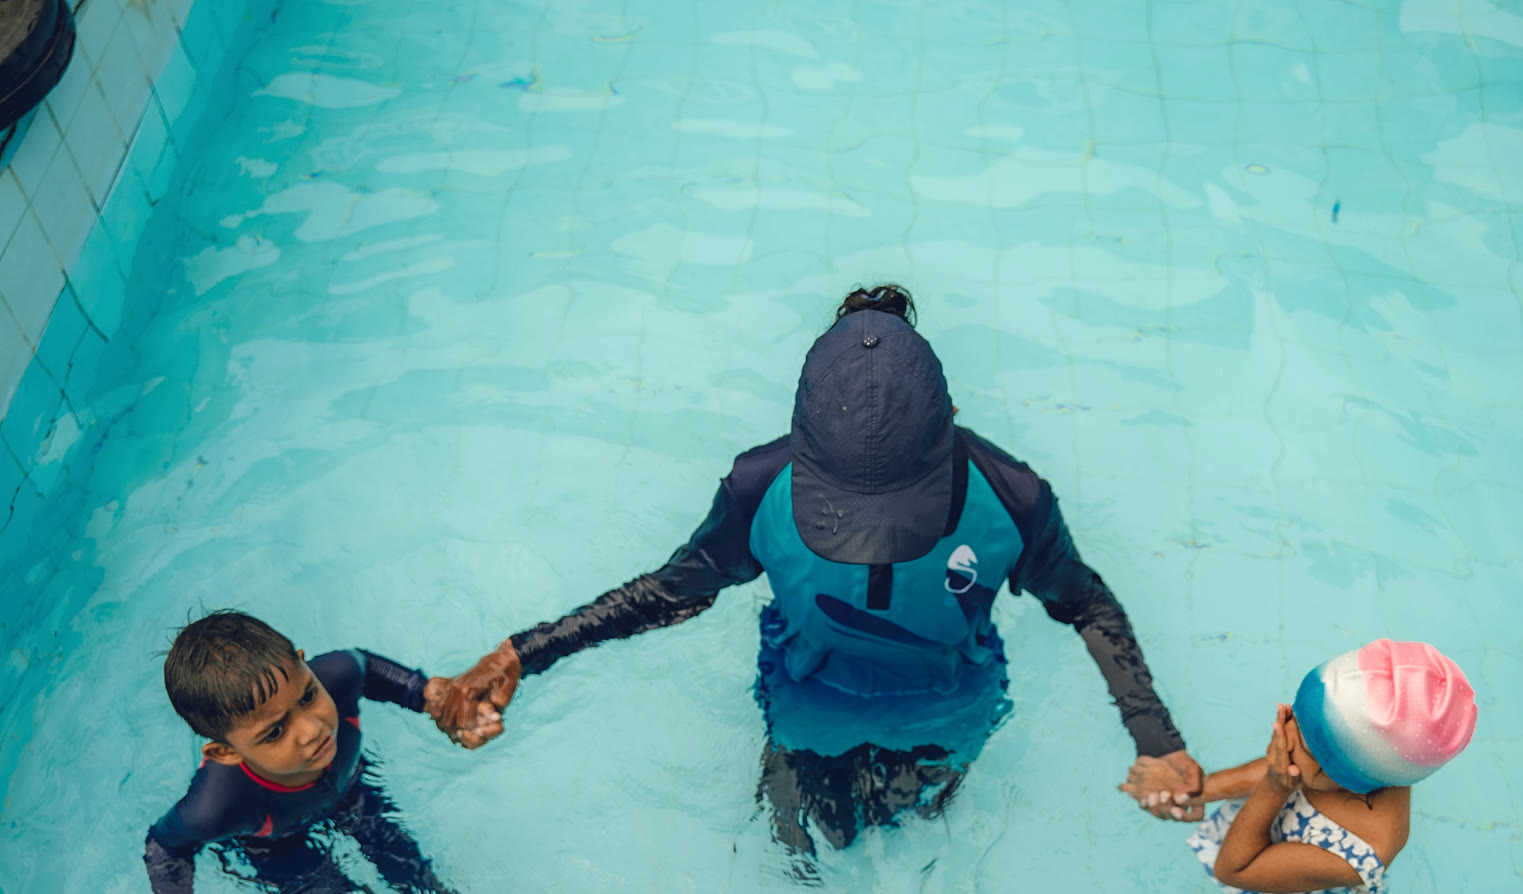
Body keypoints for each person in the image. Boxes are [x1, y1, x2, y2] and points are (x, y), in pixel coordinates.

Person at [434, 285, 1200, 857]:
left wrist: (1155, 737)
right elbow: (672, 594)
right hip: (807, 700)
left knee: (920, 844)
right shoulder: (755, 489)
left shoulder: (1013, 497)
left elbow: (1086, 605)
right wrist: (521, 654)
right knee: (801, 854)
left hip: (947, 707)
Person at [143, 611, 496, 894]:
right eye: (276, 731)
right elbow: (165, 847)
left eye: (308, 696)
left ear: (305, 666)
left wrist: (426, 695)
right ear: (226, 752)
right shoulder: (217, 805)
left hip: (352, 791)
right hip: (277, 844)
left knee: (417, 880)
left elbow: (366, 667)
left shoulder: (337, 677)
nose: (313, 729)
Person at [1121, 639, 1477, 894]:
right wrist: (1191, 791)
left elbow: (1235, 869)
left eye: (1299, 743)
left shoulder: (1363, 851)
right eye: (1293, 716)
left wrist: (1276, 786)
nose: (1283, 734)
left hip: (1284, 877)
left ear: (1342, 777)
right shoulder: (1381, 753)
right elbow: (1279, 765)